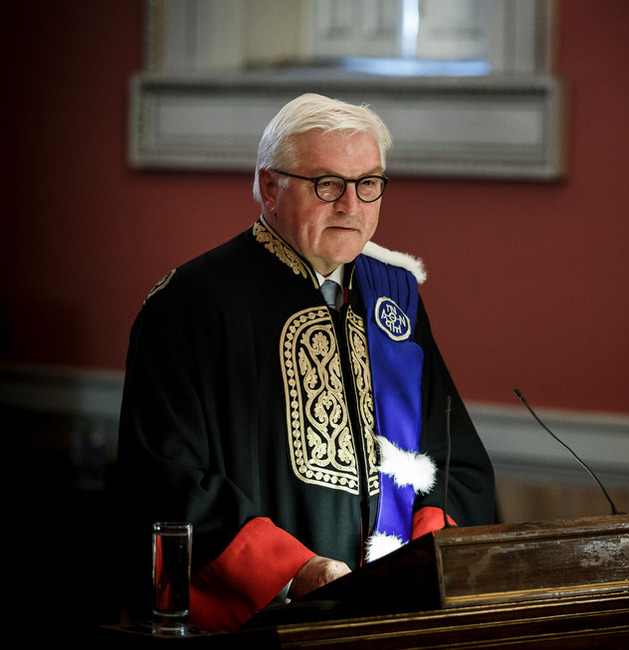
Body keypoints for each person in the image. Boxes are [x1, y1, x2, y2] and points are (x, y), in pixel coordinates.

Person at [116, 93, 496, 630]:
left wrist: (422, 556)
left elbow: (457, 462)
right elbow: (165, 480)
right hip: (260, 626)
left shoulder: (396, 301)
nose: (351, 205)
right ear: (270, 187)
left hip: (390, 622)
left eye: (368, 183)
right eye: (327, 184)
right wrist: (296, 572)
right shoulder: (191, 306)